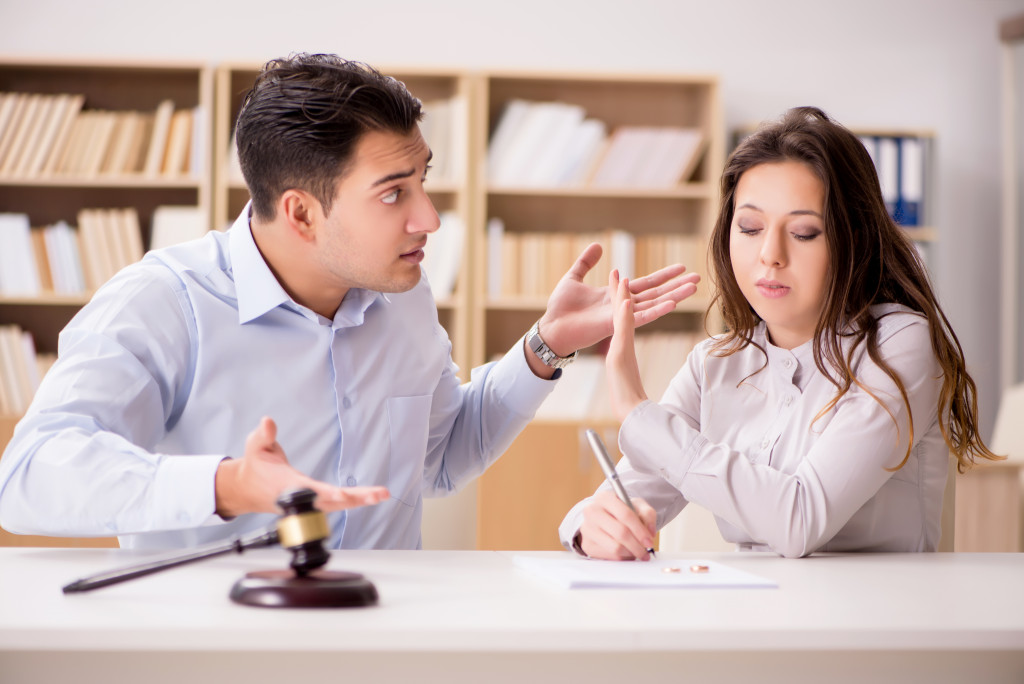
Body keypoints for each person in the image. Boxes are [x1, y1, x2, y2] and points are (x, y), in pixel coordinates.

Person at [0, 54, 699, 550]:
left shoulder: (403, 295)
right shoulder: (163, 303)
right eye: (394, 193)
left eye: (423, 179)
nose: (428, 217)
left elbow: (442, 458)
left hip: (386, 642)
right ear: (302, 214)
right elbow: (27, 476)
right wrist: (226, 485)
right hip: (218, 649)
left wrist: (545, 348)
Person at [559, 106, 1001, 560]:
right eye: (749, 227)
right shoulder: (715, 362)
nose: (770, 254)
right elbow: (621, 498)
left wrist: (637, 412)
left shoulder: (897, 344)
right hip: (754, 618)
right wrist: (589, 527)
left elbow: (800, 519)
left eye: (805, 232)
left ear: (855, 238)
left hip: (874, 623)